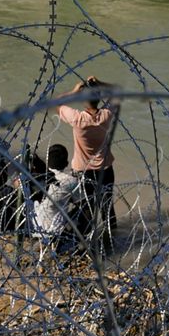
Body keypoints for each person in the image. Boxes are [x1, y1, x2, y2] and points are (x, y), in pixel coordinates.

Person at [55, 76, 119, 258]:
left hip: (84, 172)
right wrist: (101, 83)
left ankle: (88, 245)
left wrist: (75, 91)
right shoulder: (106, 116)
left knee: (86, 210)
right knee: (107, 208)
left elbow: (56, 102)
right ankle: (111, 242)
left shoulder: (77, 119)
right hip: (106, 169)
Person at [29, 144, 84, 246]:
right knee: (85, 207)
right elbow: (81, 203)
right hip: (52, 232)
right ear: (66, 163)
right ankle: (79, 242)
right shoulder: (70, 181)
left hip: (33, 226)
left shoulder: (38, 176)